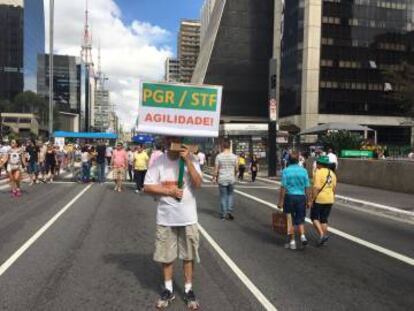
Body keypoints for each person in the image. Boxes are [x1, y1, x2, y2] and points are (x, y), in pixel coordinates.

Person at [144, 137, 202, 310]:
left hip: (188, 217)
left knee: (188, 255)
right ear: (165, 141)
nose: (172, 141)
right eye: (169, 138)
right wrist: (168, 190)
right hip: (166, 218)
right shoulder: (159, 161)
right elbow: (147, 187)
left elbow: (198, 184)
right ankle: (168, 288)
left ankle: (188, 289)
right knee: (166, 256)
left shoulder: (192, 159)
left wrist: (188, 161)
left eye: (175, 138)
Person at [278, 151, 312, 250]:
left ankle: (292, 242)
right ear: (298, 160)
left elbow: (283, 187)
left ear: (288, 160)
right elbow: (307, 187)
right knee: (300, 219)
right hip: (301, 197)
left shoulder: (286, 171)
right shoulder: (304, 171)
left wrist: (280, 201)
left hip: (289, 197)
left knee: (290, 220)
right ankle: (302, 236)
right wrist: (309, 200)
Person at [310, 155, 337, 246]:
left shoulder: (318, 172)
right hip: (330, 198)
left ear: (320, 164)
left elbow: (316, 188)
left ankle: (322, 235)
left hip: (320, 199)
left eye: (317, 163)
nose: (316, 164)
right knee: (324, 220)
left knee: (314, 217)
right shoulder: (332, 173)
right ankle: (324, 238)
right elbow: (334, 188)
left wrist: (311, 199)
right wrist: (333, 197)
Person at [213, 140, 238, 220]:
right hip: (231, 178)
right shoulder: (234, 156)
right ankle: (229, 211)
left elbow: (216, 169)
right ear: (229, 146)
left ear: (223, 146)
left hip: (222, 178)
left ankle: (223, 214)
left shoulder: (219, 156)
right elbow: (237, 168)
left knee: (223, 197)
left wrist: (214, 177)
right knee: (230, 195)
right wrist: (234, 174)